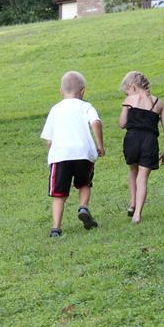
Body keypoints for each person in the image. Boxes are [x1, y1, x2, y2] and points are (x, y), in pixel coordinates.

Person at [41, 71, 105, 237]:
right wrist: (100, 145)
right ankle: (83, 207)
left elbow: (49, 140)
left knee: (59, 194)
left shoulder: (55, 109)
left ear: (61, 91)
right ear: (83, 91)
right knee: (84, 184)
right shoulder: (86, 106)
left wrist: (51, 157)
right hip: (83, 153)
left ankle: (56, 228)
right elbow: (96, 122)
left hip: (60, 155)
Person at [118, 71, 164, 224]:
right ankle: (137, 214)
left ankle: (132, 202)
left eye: (127, 91)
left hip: (132, 140)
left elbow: (122, 124)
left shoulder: (129, 100)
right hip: (150, 142)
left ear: (133, 87)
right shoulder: (159, 103)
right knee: (142, 178)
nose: (127, 94)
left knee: (133, 171)